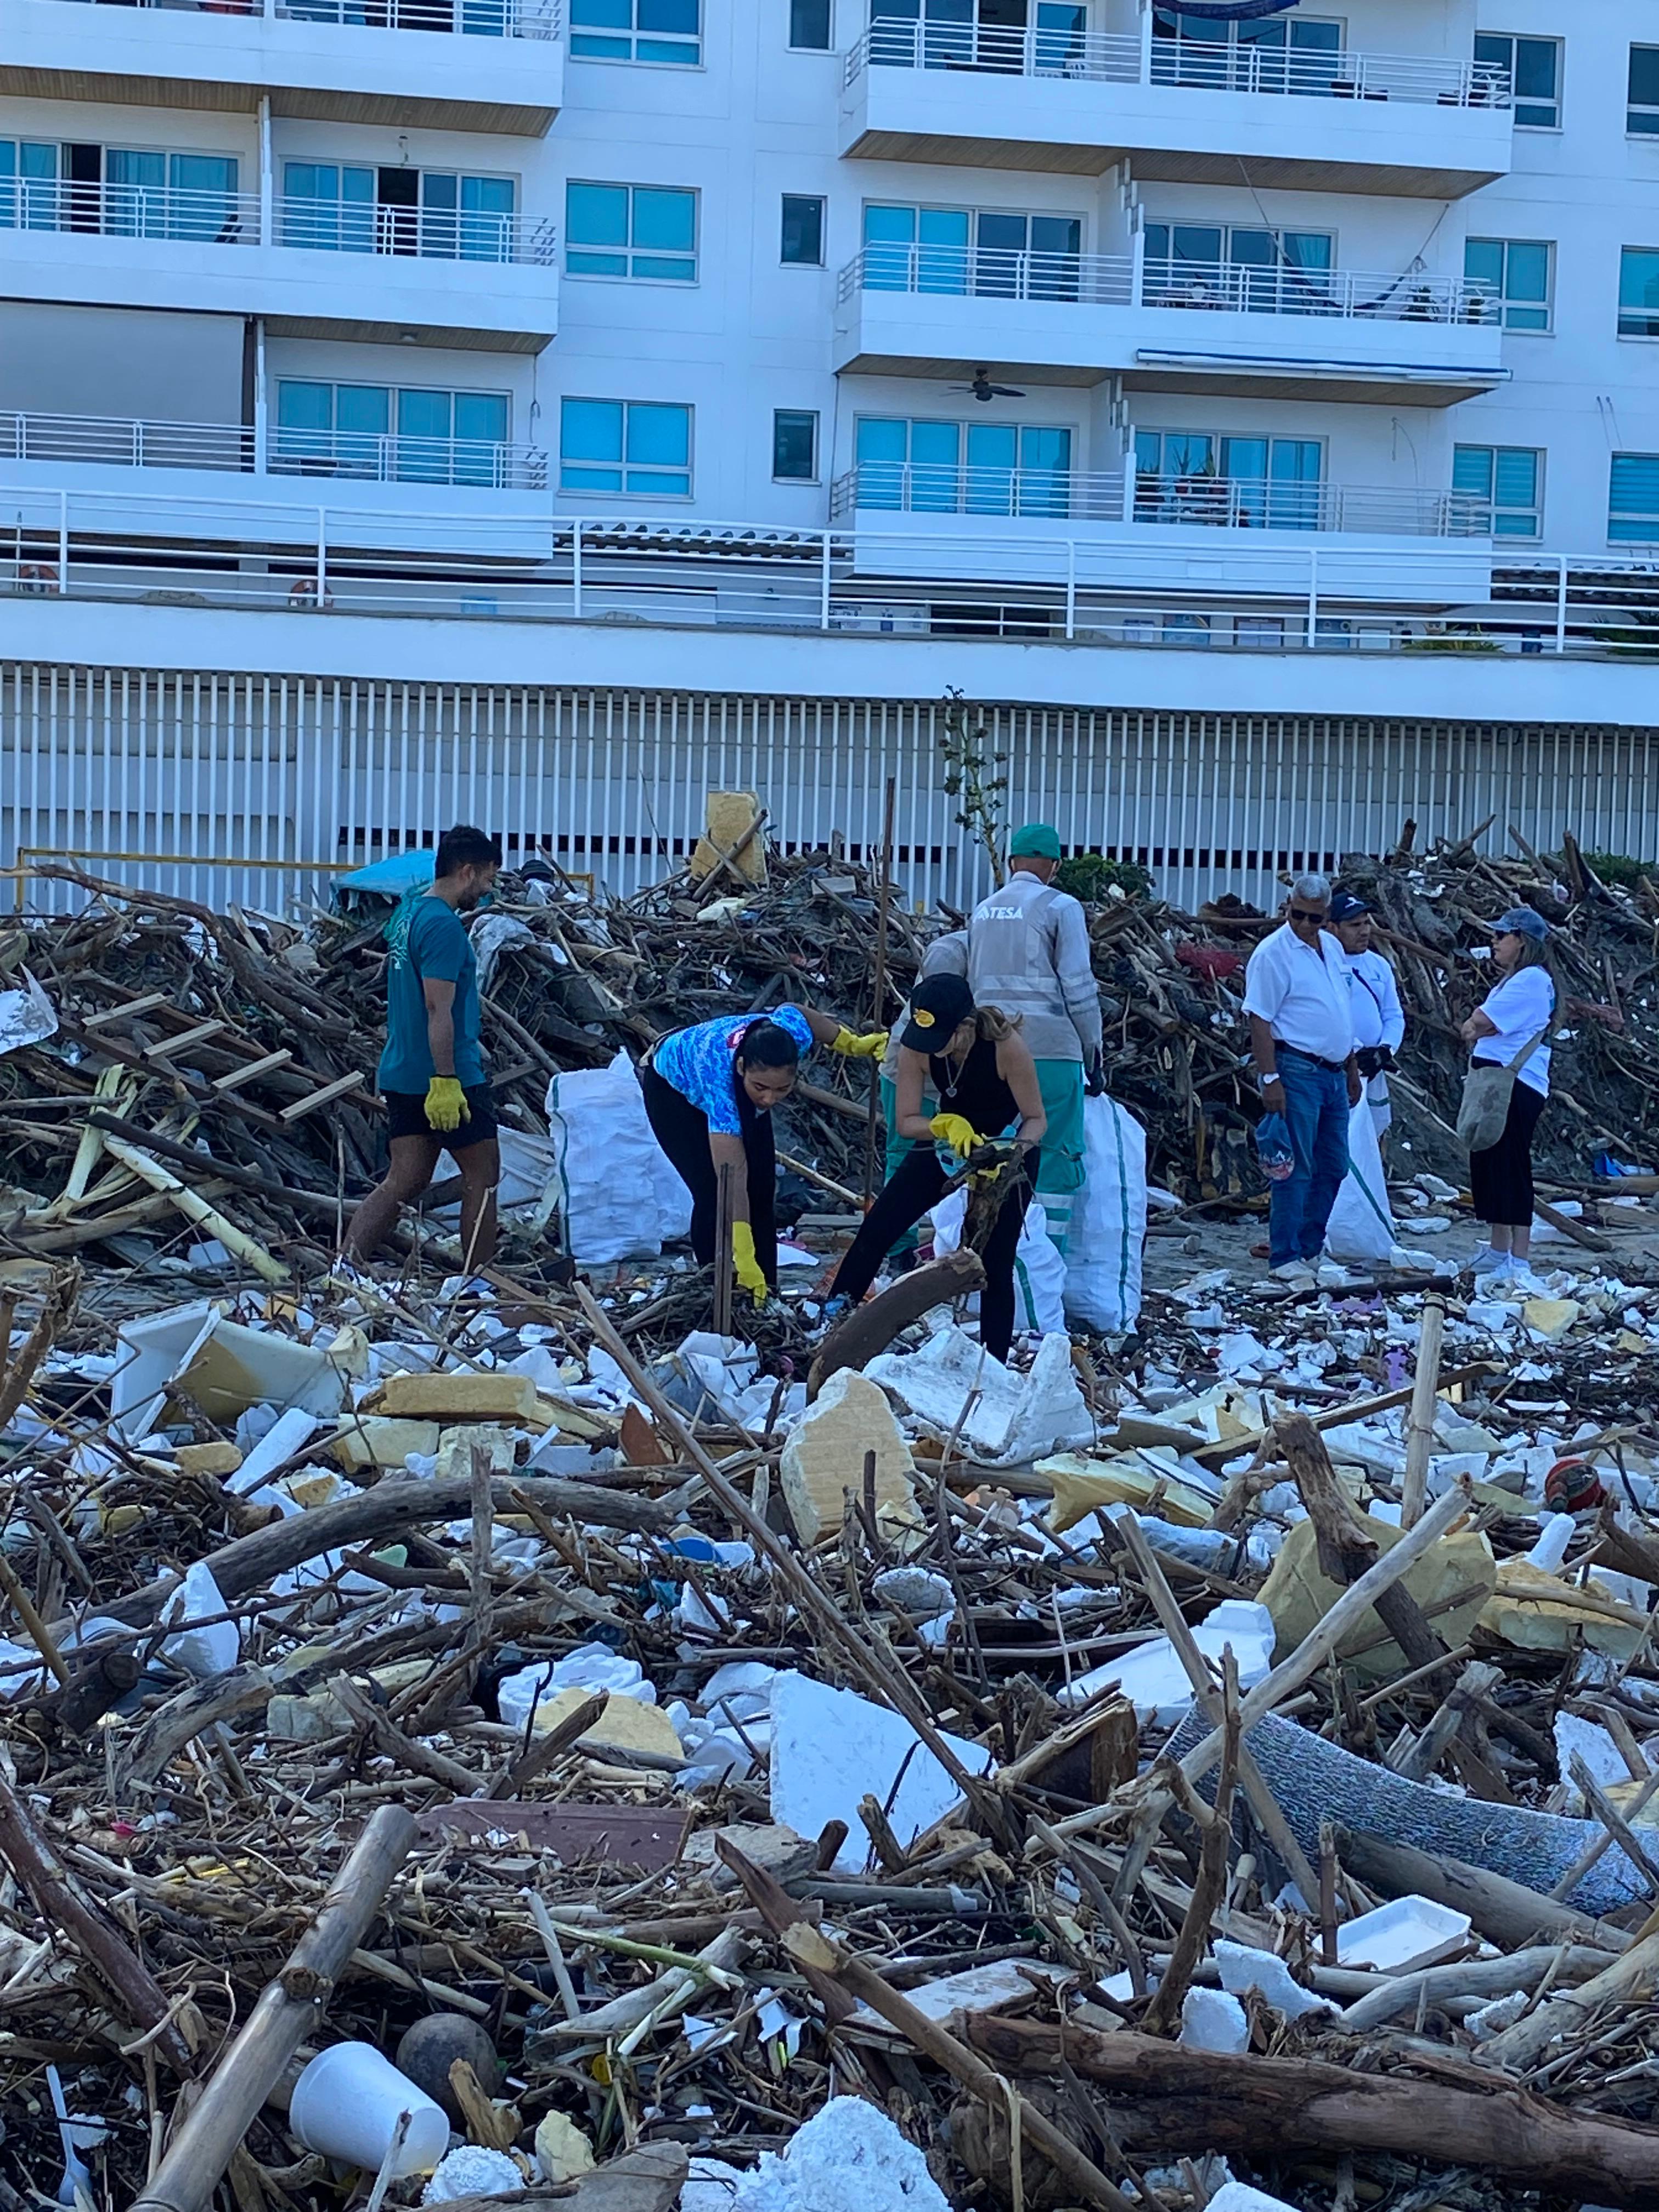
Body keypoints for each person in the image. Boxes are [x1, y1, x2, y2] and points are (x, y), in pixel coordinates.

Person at [827, 974, 1047, 1363]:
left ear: (965, 1027)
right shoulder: (918, 1046)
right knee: (879, 1228)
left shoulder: (1006, 1048)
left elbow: (1036, 1119)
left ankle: (993, 1362)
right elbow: (906, 1120)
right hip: (949, 1142)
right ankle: (831, 1324)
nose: (932, 1048)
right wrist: (945, 1125)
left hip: (1004, 1149)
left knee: (995, 1260)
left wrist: (1010, 1153)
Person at [642, 1003, 886, 1302]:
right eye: (762, 1088)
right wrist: (743, 1253)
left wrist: (851, 1043)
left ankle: (766, 1291)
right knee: (712, 1195)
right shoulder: (720, 1083)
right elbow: (731, 1177)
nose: (770, 1099)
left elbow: (799, 1012)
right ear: (743, 1067)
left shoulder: (790, 1037)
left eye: (782, 1090)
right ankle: (712, 1287)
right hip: (673, 1090)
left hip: (734, 1081)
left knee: (762, 1189)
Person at [344, 823, 501, 1278]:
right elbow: (439, 1008)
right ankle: (476, 1285)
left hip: (401, 1071)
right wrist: (448, 1081)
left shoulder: (408, 914)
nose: (487, 892)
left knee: (405, 1179)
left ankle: (343, 1269)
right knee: (484, 1176)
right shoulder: (442, 927)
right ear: (467, 872)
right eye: (488, 880)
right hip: (446, 1074)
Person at [960, 824, 1099, 1257]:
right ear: (1055, 866)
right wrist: (1093, 1051)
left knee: (995, 1152)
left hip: (992, 1051)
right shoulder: (1062, 906)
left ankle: (987, 1256)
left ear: (1010, 862)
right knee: (1055, 1151)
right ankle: (1045, 1261)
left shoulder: (982, 911)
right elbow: (1078, 985)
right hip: (1051, 1049)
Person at [1243, 872, 1362, 1286]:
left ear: (1326, 917)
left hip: (1332, 1071)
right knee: (1295, 1167)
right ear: (1288, 908)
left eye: (1314, 918)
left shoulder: (1331, 947)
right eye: (1298, 916)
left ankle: (1310, 1249)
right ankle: (1285, 1253)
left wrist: (1350, 1069)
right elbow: (1260, 1018)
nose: (1304, 925)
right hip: (1296, 1068)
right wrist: (1270, 1077)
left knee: (1333, 1165)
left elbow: (1341, 1010)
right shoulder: (1274, 953)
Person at [1462, 906, 1556, 1284]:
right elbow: (1476, 1025)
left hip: (1516, 1084)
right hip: (1495, 1081)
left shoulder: (1531, 980)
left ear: (1522, 941)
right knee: (1489, 1161)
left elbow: (1479, 1023)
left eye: (1502, 936)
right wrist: (1476, 1025)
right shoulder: (1512, 981)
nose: (1494, 941)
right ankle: (1498, 1247)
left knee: (1511, 1165)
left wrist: (1476, 1024)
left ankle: (1519, 1257)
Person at [1327, 890, 1405, 1150]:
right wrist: (1355, 1052)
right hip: (1338, 1068)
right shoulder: (1323, 964)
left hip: (1374, 1068)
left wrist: (1385, 1049)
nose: (1364, 931)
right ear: (1333, 928)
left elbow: (1393, 1014)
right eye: (1354, 925)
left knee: (1372, 1139)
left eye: (1365, 923)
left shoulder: (1378, 965)